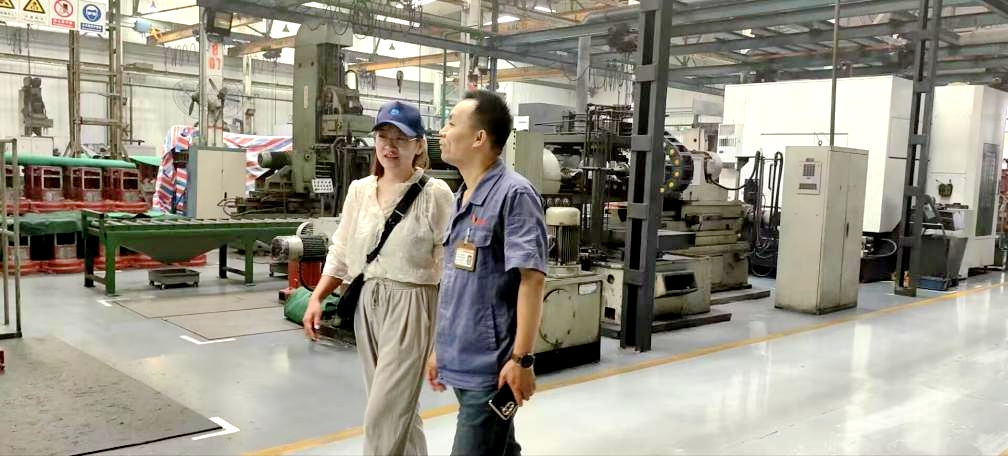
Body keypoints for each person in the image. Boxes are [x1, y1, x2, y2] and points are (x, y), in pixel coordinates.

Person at [304, 100, 455, 456]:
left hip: (412, 303)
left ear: (419, 145)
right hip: (367, 303)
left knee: (383, 415)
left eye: (401, 139)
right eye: (383, 137)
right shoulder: (360, 190)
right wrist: (317, 297)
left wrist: (443, 338)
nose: (390, 146)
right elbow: (341, 249)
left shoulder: (435, 194)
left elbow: (449, 267)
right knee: (397, 409)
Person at [425, 90, 548, 455]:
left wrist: (522, 359)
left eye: (451, 123)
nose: (442, 132)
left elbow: (532, 280)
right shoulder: (462, 196)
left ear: (479, 138)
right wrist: (441, 350)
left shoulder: (515, 195)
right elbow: (459, 284)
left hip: (491, 368)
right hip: (462, 356)